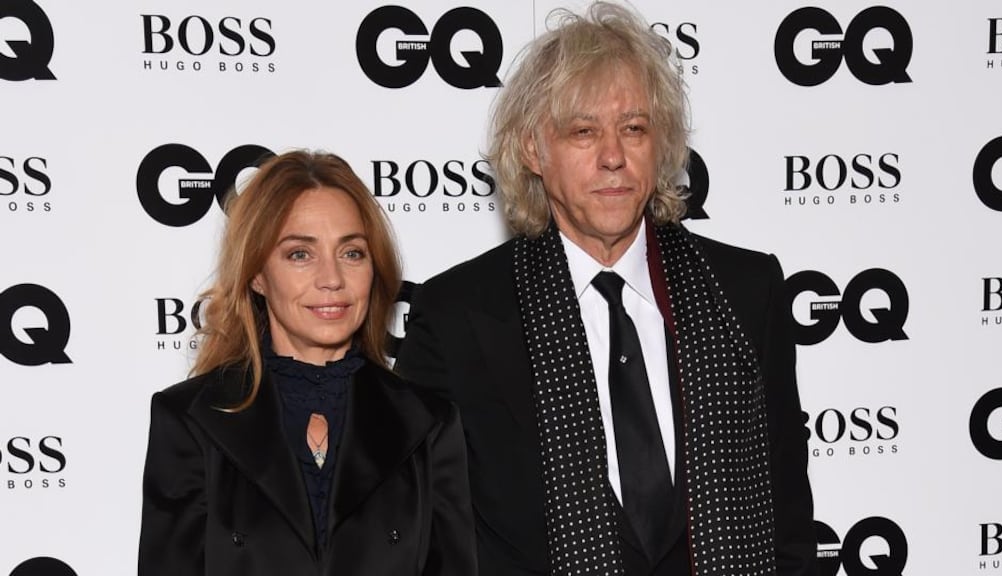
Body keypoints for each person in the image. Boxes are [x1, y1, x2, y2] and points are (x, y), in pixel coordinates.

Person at [396, 3, 816, 576]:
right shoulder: (457, 318)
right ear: (531, 150)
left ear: (660, 143)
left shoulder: (745, 293)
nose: (613, 156)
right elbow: (422, 538)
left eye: (634, 128)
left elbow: (788, 521)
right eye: (583, 131)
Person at [139, 151, 476, 575]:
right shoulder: (191, 421)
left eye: (352, 253)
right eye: (300, 254)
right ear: (257, 274)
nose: (332, 278)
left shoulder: (428, 424)